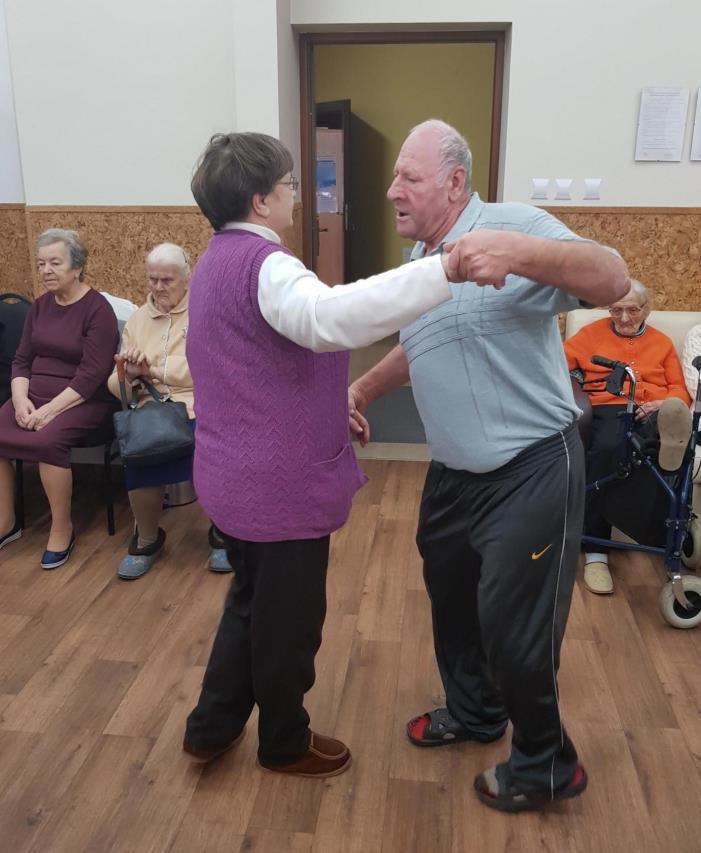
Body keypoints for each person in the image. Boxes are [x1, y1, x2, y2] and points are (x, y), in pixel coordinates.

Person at [347, 119, 629, 812]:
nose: (391, 190)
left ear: (453, 181)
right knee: (452, 605)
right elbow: (422, 342)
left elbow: (612, 277)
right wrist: (357, 388)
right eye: (395, 179)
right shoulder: (423, 255)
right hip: (451, 473)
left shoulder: (509, 224)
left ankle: (544, 761)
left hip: (531, 467)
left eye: (407, 177)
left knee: (512, 622)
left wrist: (521, 251)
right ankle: (474, 714)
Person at [182, 131, 477, 779]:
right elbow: (330, 319)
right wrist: (442, 269)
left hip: (232, 475)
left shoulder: (214, 262)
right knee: (288, 625)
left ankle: (210, 725)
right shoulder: (267, 265)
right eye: (289, 185)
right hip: (274, 488)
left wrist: (326, 405)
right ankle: (283, 740)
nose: (296, 194)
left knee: (250, 601)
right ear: (261, 200)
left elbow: (251, 367)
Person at [106, 243, 232, 579]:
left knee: (213, 450)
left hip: (200, 403)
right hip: (152, 407)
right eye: (153, 280)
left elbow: (209, 368)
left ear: (186, 279)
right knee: (139, 453)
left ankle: (223, 533)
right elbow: (115, 385)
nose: (159, 287)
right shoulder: (137, 320)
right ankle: (147, 538)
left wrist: (156, 369)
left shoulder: (206, 313)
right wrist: (128, 375)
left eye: (167, 280)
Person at [0, 228, 118, 569]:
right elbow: (21, 360)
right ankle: (6, 522)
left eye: (55, 263)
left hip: (84, 399)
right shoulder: (38, 307)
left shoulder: (98, 310)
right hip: (34, 394)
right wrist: (21, 401)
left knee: (48, 440)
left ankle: (62, 528)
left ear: (77, 267)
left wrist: (50, 410)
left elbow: (92, 375)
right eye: (41, 264)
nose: (46, 270)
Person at [564, 280, 691, 594]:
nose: (623, 318)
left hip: (657, 409)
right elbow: (555, 364)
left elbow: (677, 387)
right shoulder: (588, 336)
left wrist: (663, 403)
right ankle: (596, 552)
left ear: (646, 309)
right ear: (608, 308)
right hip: (612, 406)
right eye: (616, 310)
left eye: (631, 310)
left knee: (657, 445)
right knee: (609, 448)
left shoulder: (661, 343)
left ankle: (660, 528)